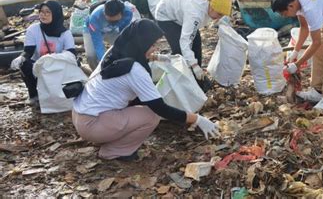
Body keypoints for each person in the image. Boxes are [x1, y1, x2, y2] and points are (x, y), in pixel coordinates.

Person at [72, 19, 219, 160]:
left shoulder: (117, 50)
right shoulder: (135, 70)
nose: (155, 48)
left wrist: (157, 57)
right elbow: (160, 108)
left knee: (141, 105)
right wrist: (197, 119)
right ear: (141, 43)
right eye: (153, 45)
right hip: (93, 124)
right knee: (151, 116)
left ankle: (108, 135)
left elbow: (138, 58)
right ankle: (113, 151)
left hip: (80, 114)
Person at [155, 0, 232, 80]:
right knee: (180, 52)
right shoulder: (195, 13)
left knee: (196, 46)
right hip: (166, 15)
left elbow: (217, 17)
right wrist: (194, 65)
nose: (220, 17)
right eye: (219, 14)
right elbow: (185, 40)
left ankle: (197, 79)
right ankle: (181, 81)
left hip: (181, 14)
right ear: (211, 6)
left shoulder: (209, 6)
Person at [10, 0, 76, 102]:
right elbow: (28, 51)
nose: (43, 15)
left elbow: (71, 54)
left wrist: (53, 58)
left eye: (47, 12)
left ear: (55, 13)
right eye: (41, 11)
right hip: (38, 66)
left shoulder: (65, 34)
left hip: (57, 66)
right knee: (24, 64)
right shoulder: (33, 29)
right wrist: (22, 57)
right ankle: (33, 94)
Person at [83, 0, 134, 70]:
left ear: (121, 14)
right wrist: (104, 63)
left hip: (112, 30)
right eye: (109, 19)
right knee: (91, 55)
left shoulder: (128, 13)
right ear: (104, 12)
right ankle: (97, 72)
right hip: (92, 30)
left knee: (126, 47)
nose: (111, 21)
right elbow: (98, 44)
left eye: (115, 20)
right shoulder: (95, 17)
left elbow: (123, 33)